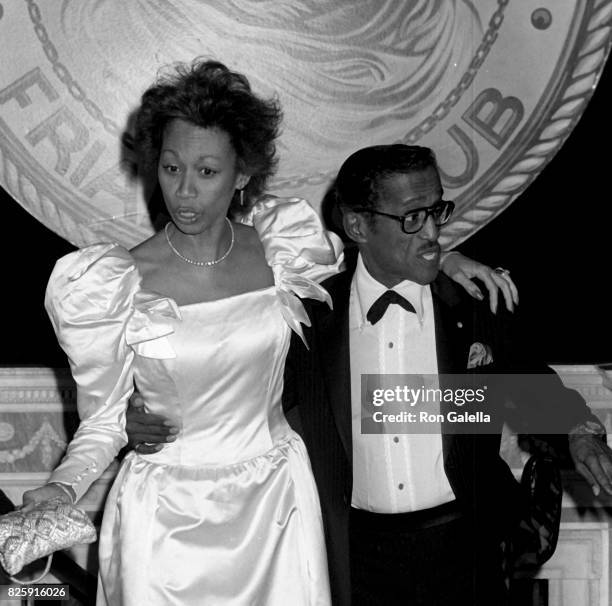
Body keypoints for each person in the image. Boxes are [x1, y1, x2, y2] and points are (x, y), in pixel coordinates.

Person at [20, 61, 514, 605]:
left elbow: (376, 252)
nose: (184, 192)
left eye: (207, 172)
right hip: (164, 521)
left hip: (280, 509)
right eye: (171, 168)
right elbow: (104, 423)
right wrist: (61, 487)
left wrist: (440, 259)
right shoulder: (112, 283)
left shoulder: (287, 254)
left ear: (242, 175)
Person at [130, 144, 612, 606]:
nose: (432, 235)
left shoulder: (472, 301)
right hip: (354, 560)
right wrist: (147, 419)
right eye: (411, 218)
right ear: (357, 224)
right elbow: (239, 397)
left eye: (436, 212)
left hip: (465, 552)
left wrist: (580, 432)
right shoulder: (307, 320)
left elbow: (527, 380)